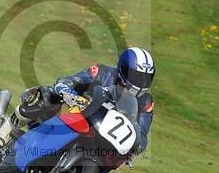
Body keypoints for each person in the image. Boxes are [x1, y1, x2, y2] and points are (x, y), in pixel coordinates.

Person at [16, 47, 156, 157]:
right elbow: (69, 81)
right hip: (75, 114)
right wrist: (69, 94)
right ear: (123, 70)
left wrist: (135, 143)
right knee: (48, 95)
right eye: (137, 77)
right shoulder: (101, 73)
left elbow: (142, 137)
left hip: (100, 140)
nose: (141, 83)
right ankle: (12, 127)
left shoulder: (146, 102)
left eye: (145, 78)